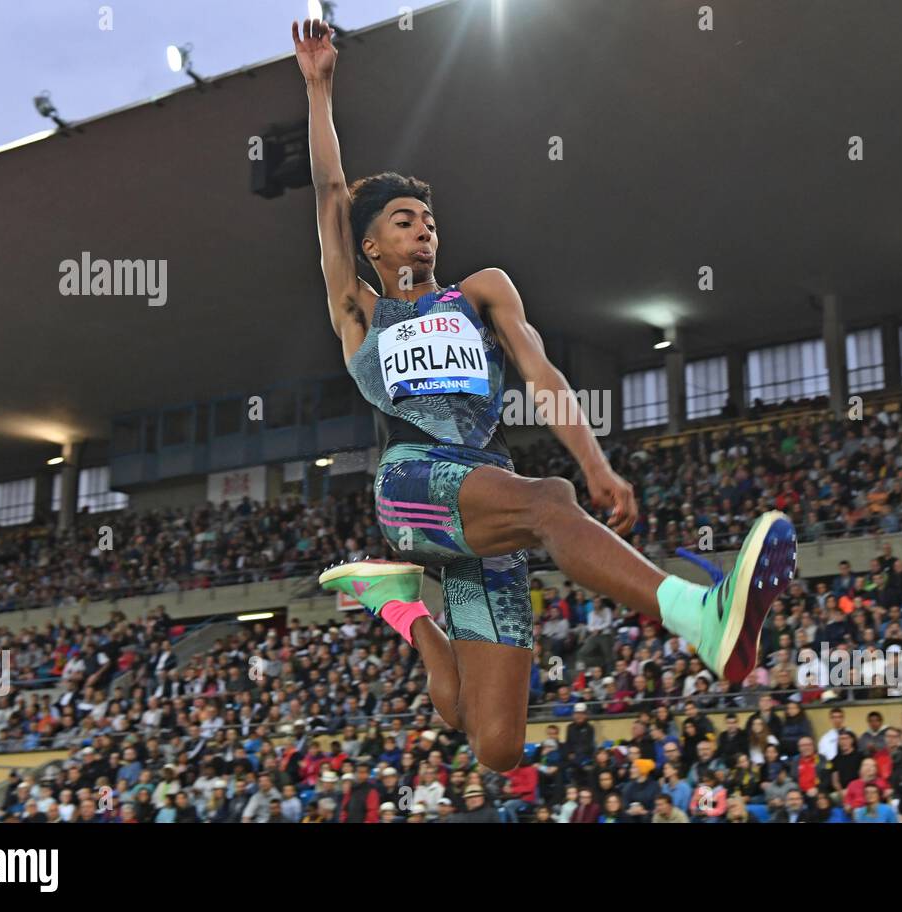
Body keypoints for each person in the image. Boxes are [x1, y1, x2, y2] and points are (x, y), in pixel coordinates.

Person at [299, 14, 797, 774]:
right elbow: (332, 190)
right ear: (371, 246)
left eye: (431, 222)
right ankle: (699, 616)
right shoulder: (361, 311)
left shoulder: (483, 292)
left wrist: (597, 464)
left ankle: (404, 613)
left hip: (485, 494)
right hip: (411, 484)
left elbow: (542, 376)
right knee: (549, 502)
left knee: (493, 744)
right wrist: (319, 85)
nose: (424, 232)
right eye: (405, 222)